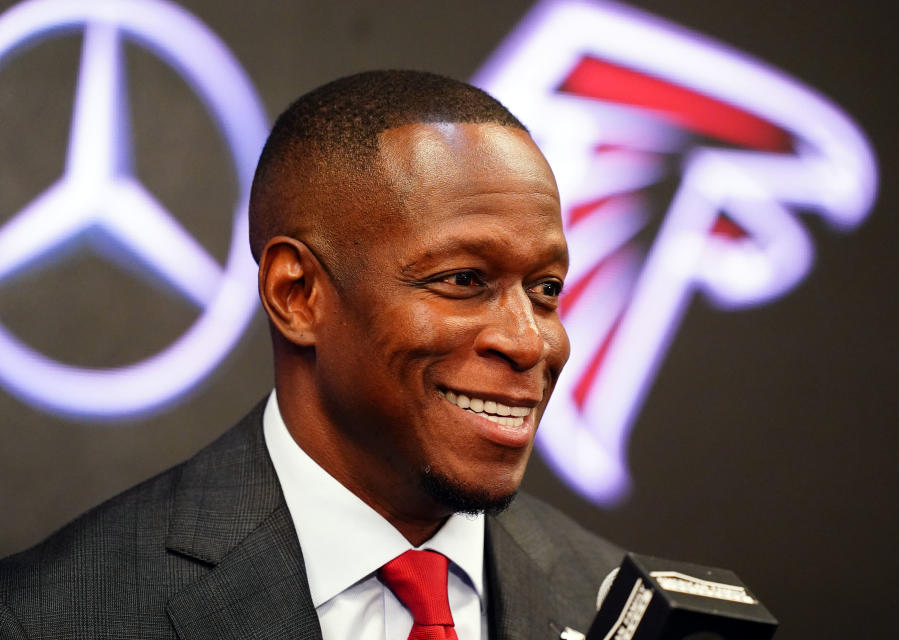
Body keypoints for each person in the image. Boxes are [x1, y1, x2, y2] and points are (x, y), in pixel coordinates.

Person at [0, 71, 623, 640]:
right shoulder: (55, 616)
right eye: (462, 280)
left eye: (545, 290)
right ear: (296, 295)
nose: (528, 341)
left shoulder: (611, 598)